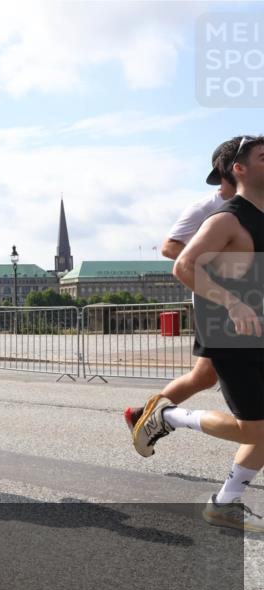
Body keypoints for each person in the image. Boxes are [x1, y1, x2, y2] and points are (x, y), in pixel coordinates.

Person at [131, 135, 264, 531]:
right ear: (239, 169)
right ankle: (169, 417)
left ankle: (224, 504)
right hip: (230, 332)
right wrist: (233, 303)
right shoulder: (226, 218)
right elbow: (183, 265)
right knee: (254, 429)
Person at [125, 138, 240, 431]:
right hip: (214, 299)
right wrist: (214, 268)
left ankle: (142, 414)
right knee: (209, 376)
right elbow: (170, 248)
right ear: (230, 169)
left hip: (244, 296)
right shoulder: (205, 207)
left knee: (204, 376)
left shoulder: (254, 203)